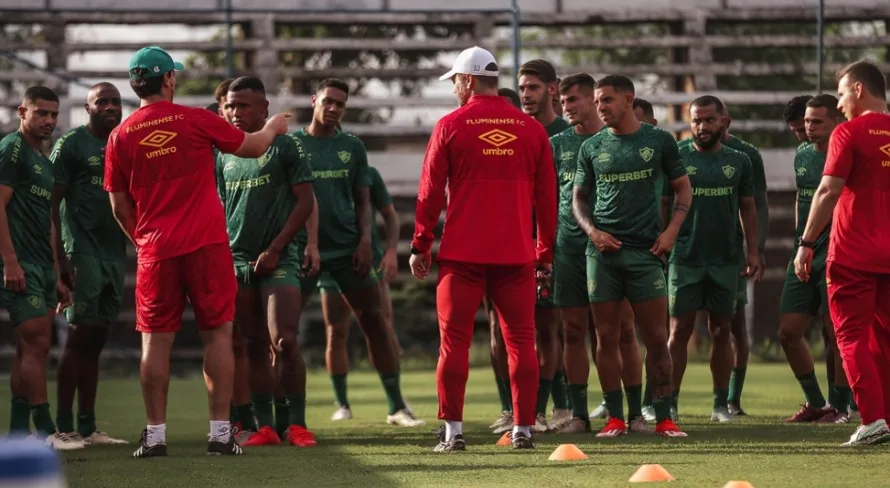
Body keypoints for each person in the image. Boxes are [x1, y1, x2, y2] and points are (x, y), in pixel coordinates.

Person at [104, 46, 292, 457]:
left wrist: (143, 241)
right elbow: (253, 147)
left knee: (154, 343)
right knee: (218, 335)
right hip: (207, 244)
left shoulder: (120, 135)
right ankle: (220, 434)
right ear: (168, 79)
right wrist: (274, 127)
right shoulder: (195, 118)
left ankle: (155, 436)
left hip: (155, 248)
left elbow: (118, 206)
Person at [411, 46, 556, 451]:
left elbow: (429, 192)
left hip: (463, 255)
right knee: (522, 341)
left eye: (455, 80)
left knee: (453, 342)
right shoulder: (531, 130)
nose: (455, 88)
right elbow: (548, 199)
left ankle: (453, 433)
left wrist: (421, 243)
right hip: (516, 255)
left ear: (468, 79)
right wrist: (545, 252)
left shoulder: (451, 124)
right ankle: (524, 429)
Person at [292, 78, 424, 429]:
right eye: (329, 101)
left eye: (340, 104)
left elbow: (365, 201)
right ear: (314, 99)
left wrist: (367, 241)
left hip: (350, 251)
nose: (334, 108)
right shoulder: (292, 144)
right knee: (284, 333)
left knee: (376, 324)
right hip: (306, 252)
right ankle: (291, 417)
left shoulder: (352, 146)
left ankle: (397, 406)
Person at [572, 75, 692, 438]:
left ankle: (664, 417)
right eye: (597, 101)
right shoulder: (591, 147)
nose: (601, 107)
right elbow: (578, 198)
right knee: (606, 336)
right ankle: (615, 419)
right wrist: (592, 231)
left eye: (607, 100)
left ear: (629, 99)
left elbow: (683, 189)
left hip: (646, 252)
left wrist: (671, 231)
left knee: (656, 336)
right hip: (602, 253)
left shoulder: (659, 141)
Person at [216, 76, 318, 447]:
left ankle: (297, 423)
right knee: (253, 342)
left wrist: (276, 249)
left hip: (280, 258)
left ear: (264, 109)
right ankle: (266, 427)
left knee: (284, 340)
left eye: (243, 105)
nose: (235, 112)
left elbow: (305, 201)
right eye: (230, 105)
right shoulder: (222, 153)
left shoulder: (285, 147)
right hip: (237, 259)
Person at [794, 59, 890, 446]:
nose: (838, 104)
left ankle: (872, 420)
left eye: (840, 93)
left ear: (857, 90)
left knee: (850, 337)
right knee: (884, 339)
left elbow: (828, 190)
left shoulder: (848, 132)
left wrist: (805, 242)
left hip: (853, 254)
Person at [550, 74, 647, 434]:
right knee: (572, 331)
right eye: (563, 101)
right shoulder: (556, 145)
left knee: (622, 331)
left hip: (612, 249)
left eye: (574, 99)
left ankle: (633, 414)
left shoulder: (617, 139)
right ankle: (578, 414)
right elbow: (544, 198)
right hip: (569, 250)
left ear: (594, 99)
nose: (567, 107)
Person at [665, 95, 760, 423]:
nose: (702, 127)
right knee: (679, 330)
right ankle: (670, 404)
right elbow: (664, 201)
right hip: (685, 256)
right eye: (696, 120)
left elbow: (748, 206)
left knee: (722, 330)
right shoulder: (676, 155)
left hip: (725, 258)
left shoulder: (740, 160)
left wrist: (752, 251)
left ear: (724, 122)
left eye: (708, 120)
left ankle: (720, 405)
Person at [0, 86, 78, 450]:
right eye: (41, 113)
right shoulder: (11, 149)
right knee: (37, 344)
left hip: (42, 268)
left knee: (30, 348)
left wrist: (57, 274)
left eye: (53, 114)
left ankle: (18, 434)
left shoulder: (43, 161)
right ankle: (47, 431)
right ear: (22, 112)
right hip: (20, 265)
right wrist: (10, 261)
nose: (49, 120)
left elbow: (48, 221)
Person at [50, 82, 128, 446]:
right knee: (79, 337)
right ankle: (62, 426)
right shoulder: (71, 144)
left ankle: (87, 425)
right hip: (81, 250)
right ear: (88, 107)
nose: (111, 107)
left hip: (115, 253)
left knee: (96, 339)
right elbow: (50, 203)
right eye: (103, 101)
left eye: (116, 101)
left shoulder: (124, 144)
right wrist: (59, 257)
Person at [781, 94, 851, 424]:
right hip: (805, 250)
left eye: (816, 121)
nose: (808, 127)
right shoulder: (802, 155)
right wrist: (801, 241)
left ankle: (840, 408)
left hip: (837, 250)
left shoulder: (848, 152)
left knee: (834, 332)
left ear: (835, 122)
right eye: (806, 121)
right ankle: (817, 402)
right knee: (788, 331)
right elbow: (803, 197)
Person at [320, 164, 404, 422]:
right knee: (335, 332)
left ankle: (396, 402)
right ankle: (342, 404)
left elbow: (389, 214)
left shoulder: (367, 172)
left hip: (369, 263)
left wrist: (391, 251)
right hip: (331, 263)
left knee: (382, 328)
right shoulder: (313, 167)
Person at [517, 58, 572, 430]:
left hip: (562, 245)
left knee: (556, 327)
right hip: (520, 242)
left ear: (553, 89)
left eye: (533, 88)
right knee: (529, 328)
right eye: (521, 88)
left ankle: (558, 407)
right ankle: (533, 409)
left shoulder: (569, 135)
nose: (526, 95)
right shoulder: (516, 132)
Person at [487, 85, 523, 434]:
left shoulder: (531, 141)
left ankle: (541, 409)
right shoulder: (483, 146)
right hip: (486, 249)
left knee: (542, 330)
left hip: (526, 250)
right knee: (497, 330)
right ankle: (508, 408)